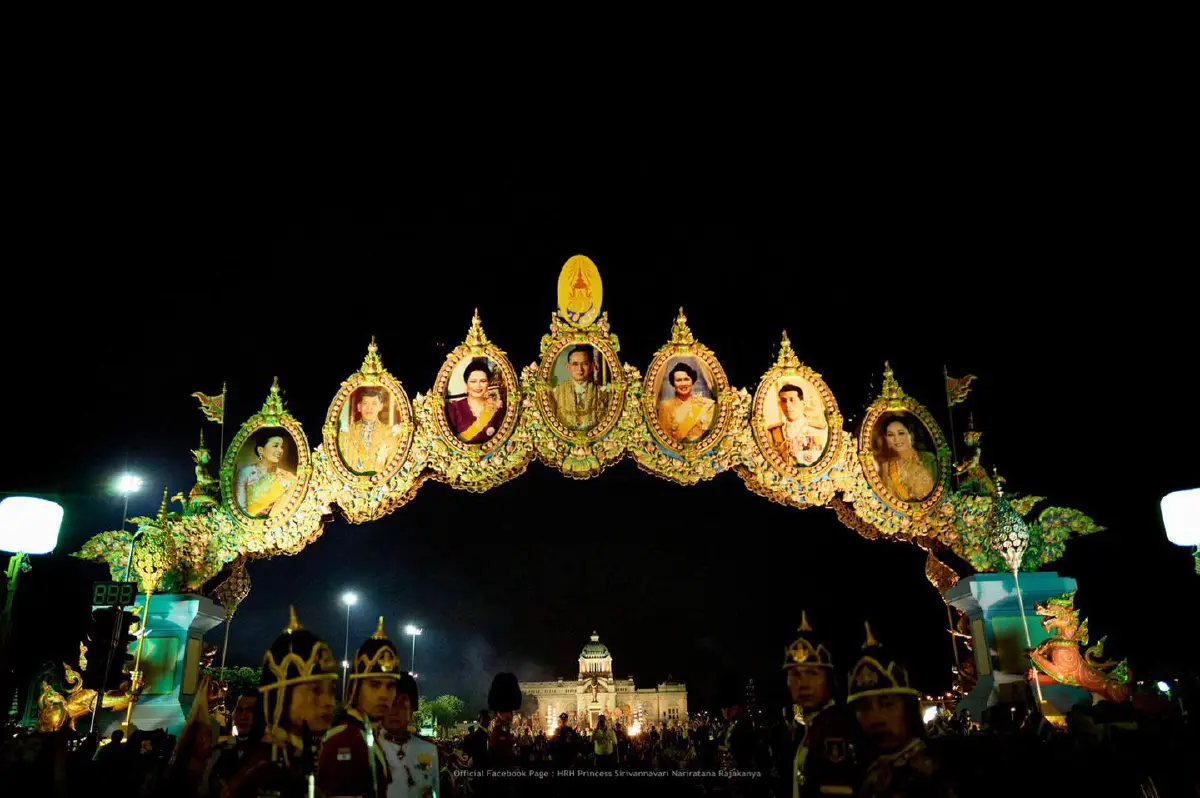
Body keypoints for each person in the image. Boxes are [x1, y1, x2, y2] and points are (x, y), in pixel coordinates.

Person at [223, 606, 338, 798]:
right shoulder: (264, 768)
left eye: (332, 690)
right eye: (316, 690)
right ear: (281, 695)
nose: (329, 702)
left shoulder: (311, 753)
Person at [847, 623, 955, 798]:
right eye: (864, 708)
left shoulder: (940, 771)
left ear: (909, 710)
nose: (876, 718)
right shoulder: (854, 771)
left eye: (888, 705)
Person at [317, 616, 401, 798]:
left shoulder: (368, 733)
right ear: (356, 688)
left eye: (390, 686)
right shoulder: (343, 740)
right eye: (374, 685)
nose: (384, 694)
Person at [784, 612, 861, 798]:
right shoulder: (809, 727)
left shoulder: (836, 729)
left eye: (813, 673)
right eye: (795, 675)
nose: (803, 684)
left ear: (830, 680)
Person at [380, 672, 439, 798]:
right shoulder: (368, 749)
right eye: (391, 703)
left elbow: (434, 792)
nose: (395, 711)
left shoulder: (428, 750)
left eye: (402, 703)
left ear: (412, 709)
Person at [234, 430, 298, 517]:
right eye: (275, 446)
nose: (280, 450)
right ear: (260, 450)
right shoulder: (245, 472)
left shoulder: (286, 476)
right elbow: (241, 510)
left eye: (281, 447)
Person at [873, 416, 937, 502]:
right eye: (890, 435)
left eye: (901, 433)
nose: (896, 439)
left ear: (911, 435)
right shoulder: (886, 467)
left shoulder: (929, 458)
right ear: (886, 439)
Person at [549, 345, 610, 431]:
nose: (580, 369)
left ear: (592, 367)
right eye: (575, 364)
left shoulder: (603, 393)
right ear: (568, 367)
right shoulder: (556, 393)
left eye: (585, 364)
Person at [339, 388, 401, 474]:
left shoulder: (389, 433)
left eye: (374, 404)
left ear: (380, 406)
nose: (369, 408)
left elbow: (393, 464)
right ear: (359, 407)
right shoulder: (347, 432)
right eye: (365, 403)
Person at [766, 384, 828, 467]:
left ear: (802, 404)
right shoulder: (772, 432)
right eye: (784, 400)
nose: (787, 405)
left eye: (792, 400)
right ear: (780, 404)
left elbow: (814, 460)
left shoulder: (816, 430)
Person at [446, 358, 506, 443]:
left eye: (483, 381)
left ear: (488, 384)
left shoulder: (498, 409)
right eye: (473, 381)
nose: (478, 386)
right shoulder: (453, 409)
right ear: (466, 384)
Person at [656, 362, 717, 443]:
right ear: (673, 383)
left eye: (686, 379)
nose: (683, 384)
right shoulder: (666, 406)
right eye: (679, 380)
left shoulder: (705, 404)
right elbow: (663, 438)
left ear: (692, 381)